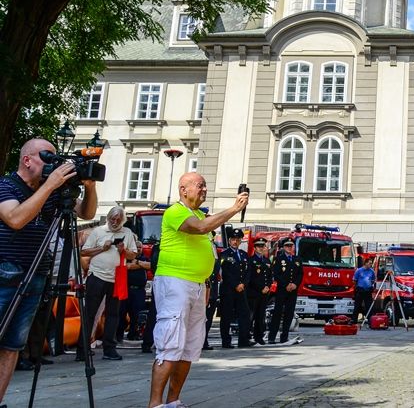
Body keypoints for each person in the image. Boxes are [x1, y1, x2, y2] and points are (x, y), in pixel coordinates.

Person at [0, 138, 97, 405]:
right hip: (5, 274)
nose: (52, 165)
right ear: (27, 160)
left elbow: (86, 212)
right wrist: (52, 183)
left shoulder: (52, 192)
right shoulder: (6, 186)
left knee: (12, 347)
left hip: (36, 275)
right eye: (47, 157)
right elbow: (16, 218)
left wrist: (89, 188)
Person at [147, 172, 248, 408]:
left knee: (190, 346)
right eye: (199, 186)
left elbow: (207, 232)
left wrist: (207, 285)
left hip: (196, 284)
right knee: (170, 342)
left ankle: (173, 401)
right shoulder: (176, 211)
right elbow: (200, 228)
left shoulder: (200, 213)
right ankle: (155, 403)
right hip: (175, 282)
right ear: (184, 189)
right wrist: (234, 209)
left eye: (205, 186)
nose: (204, 189)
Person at [80, 205, 138, 360]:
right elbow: (84, 251)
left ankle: (109, 349)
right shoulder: (98, 231)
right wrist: (102, 248)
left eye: (118, 220)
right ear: (108, 218)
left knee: (114, 314)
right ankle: (82, 349)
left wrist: (123, 251)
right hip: (97, 276)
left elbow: (133, 255)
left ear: (123, 220)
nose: (115, 222)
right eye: (113, 219)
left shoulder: (127, 233)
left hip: (116, 278)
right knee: (90, 313)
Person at [218, 227, 251, 349]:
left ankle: (243, 340)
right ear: (229, 240)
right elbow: (225, 273)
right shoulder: (224, 254)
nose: (235, 242)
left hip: (241, 290)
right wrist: (236, 284)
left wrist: (243, 284)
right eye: (233, 239)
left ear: (240, 241)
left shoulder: (244, 255)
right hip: (229, 290)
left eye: (237, 240)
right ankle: (226, 341)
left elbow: (248, 272)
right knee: (226, 316)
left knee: (244, 314)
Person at [268, 238, 302, 345]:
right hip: (282, 290)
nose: (289, 247)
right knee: (277, 313)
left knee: (289, 314)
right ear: (283, 247)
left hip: (293, 291)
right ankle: (272, 337)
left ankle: (284, 337)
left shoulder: (297, 260)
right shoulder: (278, 259)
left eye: (291, 245)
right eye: (287, 246)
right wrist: (286, 284)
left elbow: (300, 274)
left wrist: (295, 284)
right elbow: (276, 274)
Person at [247, 238, 272, 345]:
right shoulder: (251, 260)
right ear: (255, 248)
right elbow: (250, 278)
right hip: (254, 293)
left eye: (263, 246)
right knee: (251, 316)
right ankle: (247, 336)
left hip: (264, 293)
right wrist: (260, 288)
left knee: (260, 316)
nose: (261, 248)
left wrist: (268, 286)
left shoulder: (266, 261)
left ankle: (259, 336)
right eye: (259, 247)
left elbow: (270, 276)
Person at [353, 257, 376, 323]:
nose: (370, 265)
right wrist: (357, 287)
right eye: (369, 263)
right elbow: (354, 280)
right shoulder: (359, 270)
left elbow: (373, 280)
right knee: (357, 306)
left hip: (368, 291)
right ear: (365, 263)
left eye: (371, 264)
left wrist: (369, 286)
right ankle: (354, 320)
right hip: (360, 290)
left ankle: (370, 320)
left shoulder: (372, 271)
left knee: (369, 306)